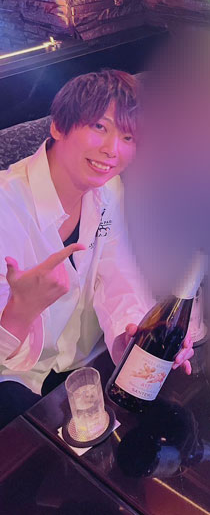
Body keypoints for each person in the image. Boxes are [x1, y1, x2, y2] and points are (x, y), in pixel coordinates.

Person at [0, 70, 193, 429]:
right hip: (18, 375)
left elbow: (118, 273)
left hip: (88, 362)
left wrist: (133, 336)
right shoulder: (6, 207)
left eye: (128, 137)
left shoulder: (109, 189)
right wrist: (19, 312)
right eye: (100, 127)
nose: (112, 150)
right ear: (58, 126)